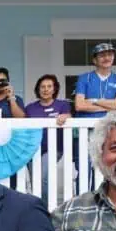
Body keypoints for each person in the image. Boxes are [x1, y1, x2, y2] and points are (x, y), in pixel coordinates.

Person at [24, 74, 73, 204]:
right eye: (42, 87)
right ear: (38, 89)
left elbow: (69, 116)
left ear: (54, 89)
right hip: (33, 148)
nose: (45, 89)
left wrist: (67, 116)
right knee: (36, 180)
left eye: (49, 86)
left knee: (43, 177)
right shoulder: (30, 108)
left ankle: (45, 208)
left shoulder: (62, 105)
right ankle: (36, 207)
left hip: (53, 148)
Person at [73, 42, 116, 118]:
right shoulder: (84, 78)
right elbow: (79, 106)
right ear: (95, 60)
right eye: (102, 56)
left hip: (110, 125)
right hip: (87, 126)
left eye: (110, 55)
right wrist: (111, 107)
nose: (107, 58)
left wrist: (94, 101)